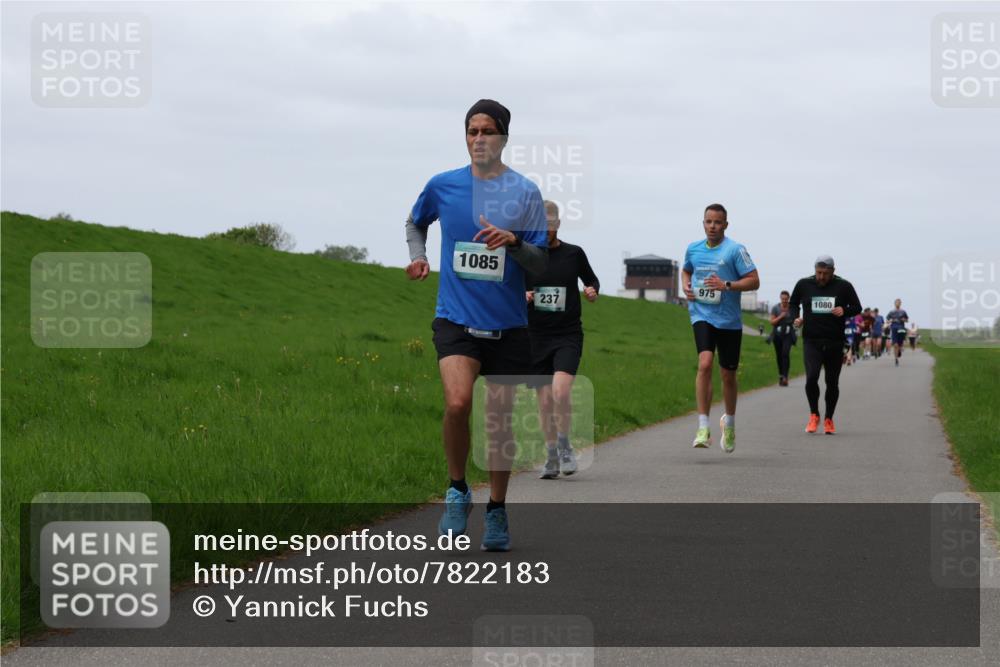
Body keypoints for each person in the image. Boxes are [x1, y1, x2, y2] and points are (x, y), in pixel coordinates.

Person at [404, 99, 548, 551]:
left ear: (503, 137)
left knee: (499, 422)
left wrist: (515, 243)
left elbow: (541, 262)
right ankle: (456, 489)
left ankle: (498, 510)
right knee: (457, 403)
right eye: (472, 130)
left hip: (508, 324)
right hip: (456, 318)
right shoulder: (443, 185)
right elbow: (415, 222)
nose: (479, 138)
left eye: (488, 130)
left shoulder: (525, 193)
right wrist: (419, 256)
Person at [524, 200, 600, 479]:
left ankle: (566, 447)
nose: (546, 228)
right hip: (535, 336)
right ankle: (552, 455)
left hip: (567, 334)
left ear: (558, 224)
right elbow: (508, 289)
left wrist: (592, 291)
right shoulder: (525, 256)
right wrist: (522, 295)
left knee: (560, 391)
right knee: (544, 402)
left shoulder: (573, 254)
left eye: (550, 223)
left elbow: (592, 280)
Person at [681, 203, 760, 453]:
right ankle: (703, 427)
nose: (712, 226)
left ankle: (730, 422)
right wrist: (686, 286)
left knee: (728, 375)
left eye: (717, 222)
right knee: (704, 363)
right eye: (708, 221)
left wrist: (726, 284)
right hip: (701, 315)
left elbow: (754, 281)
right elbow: (686, 270)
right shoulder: (693, 249)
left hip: (728, 320)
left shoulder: (735, 250)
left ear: (725, 225)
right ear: (702, 223)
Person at [789, 255, 862, 435]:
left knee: (832, 382)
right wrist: (795, 318)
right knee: (812, 377)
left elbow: (857, 307)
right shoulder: (804, 284)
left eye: (825, 273)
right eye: (818, 273)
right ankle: (814, 414)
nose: (821, 277)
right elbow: (793, 303)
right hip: (811, 340)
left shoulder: (843, 286)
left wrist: (844, 310)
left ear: (833, 271)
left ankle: (829, 418)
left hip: (834, 341)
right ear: (815, 270)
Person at [769, 290, 796, 386]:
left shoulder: (792, 308)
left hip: (788, 334)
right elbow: (772, 322)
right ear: (780, 298)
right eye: (783, 299)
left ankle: (785, 377)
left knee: (785, 353)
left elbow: (796, 320)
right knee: (779, 355)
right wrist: (781, 316)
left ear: (789, 298)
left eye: (786, 299)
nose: (784, 300)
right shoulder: (775, 308)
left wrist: (796, 323)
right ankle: (781, 375)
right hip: (777, 334)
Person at [885, 299, 909, 366]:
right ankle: (896, 360)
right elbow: (887, 320)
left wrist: (904, 320)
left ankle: (899, 350)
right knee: (895, 345)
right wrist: (890, 321)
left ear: (900, 303)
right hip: (894, 328)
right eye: (896, 303)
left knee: (900, 344)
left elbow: (907, 320)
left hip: (901, 329)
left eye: (899, 303)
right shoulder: (891, 312)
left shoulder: (903, 311)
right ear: (894, 303)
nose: (897, 304)